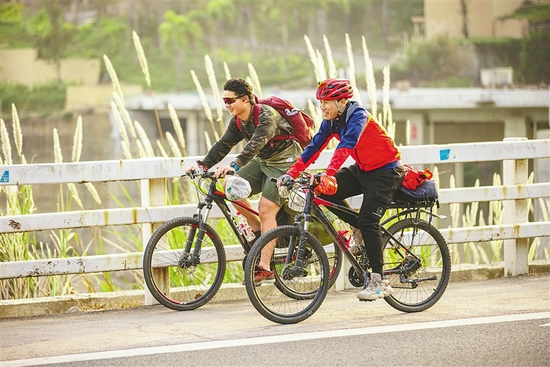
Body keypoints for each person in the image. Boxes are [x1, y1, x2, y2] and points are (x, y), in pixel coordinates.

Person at [278, 78, 405, 301]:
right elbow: (314, 147)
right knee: (324, 191)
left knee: (368, 220)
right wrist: (291, 173)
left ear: (343, 101)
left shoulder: (358, 116)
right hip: (364, 169)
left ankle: (379, 281)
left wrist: (330, 173)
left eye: (327, 102)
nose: (322, 107)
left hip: (386, 172)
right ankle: (359, 232)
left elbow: (346, 145)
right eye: (321, 103)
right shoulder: (331, 120)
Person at [187, 78, 302, 283]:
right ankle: (258, 230)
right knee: (231, 186)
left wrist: (234, 166)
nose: (227, 105)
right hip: (264, 160)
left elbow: (256, 144)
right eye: (224, 101)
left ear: (246, 99)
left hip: (286, 161)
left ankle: (265, 266)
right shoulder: (239, 121)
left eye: (231, 100)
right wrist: (202, 166)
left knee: (267, 208)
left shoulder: (266, 115)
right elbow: (223, 144)